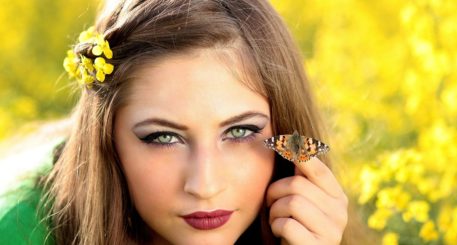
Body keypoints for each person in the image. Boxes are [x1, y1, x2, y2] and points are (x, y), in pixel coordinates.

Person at [0, 0, 348, 244]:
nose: (205, 185)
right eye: (164, 137)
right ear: (106, 137)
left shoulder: (317, 224)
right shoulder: (16, 234)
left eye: (240, 131)